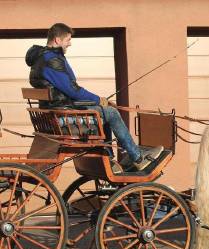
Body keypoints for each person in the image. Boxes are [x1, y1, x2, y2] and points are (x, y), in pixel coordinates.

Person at [25, 23, 163, 171]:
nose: (69, 43)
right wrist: (98, 99)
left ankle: (109, 161)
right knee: (111, 113)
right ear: (57, 40)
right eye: (68, 40)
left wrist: (99, 102)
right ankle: (138, 157)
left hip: (57, 114)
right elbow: (73, 91)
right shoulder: (51, 60)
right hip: (64, 119)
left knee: (103, 111)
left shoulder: (43, 59)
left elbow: (66, 93)